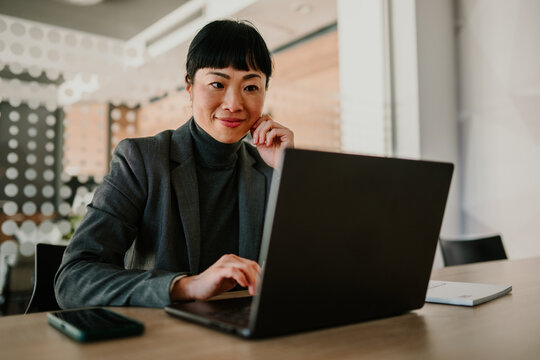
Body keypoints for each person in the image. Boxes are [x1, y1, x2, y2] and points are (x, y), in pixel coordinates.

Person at [54, 20, 294, 308]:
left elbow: (323, 262)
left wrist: (290, 170)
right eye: (217, 83)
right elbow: (73, 278)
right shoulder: (141, 160)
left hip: (243, 338)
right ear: (189, 87)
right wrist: (186, 285)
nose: (234, 103)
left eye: (251, 87)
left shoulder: (269, 167)